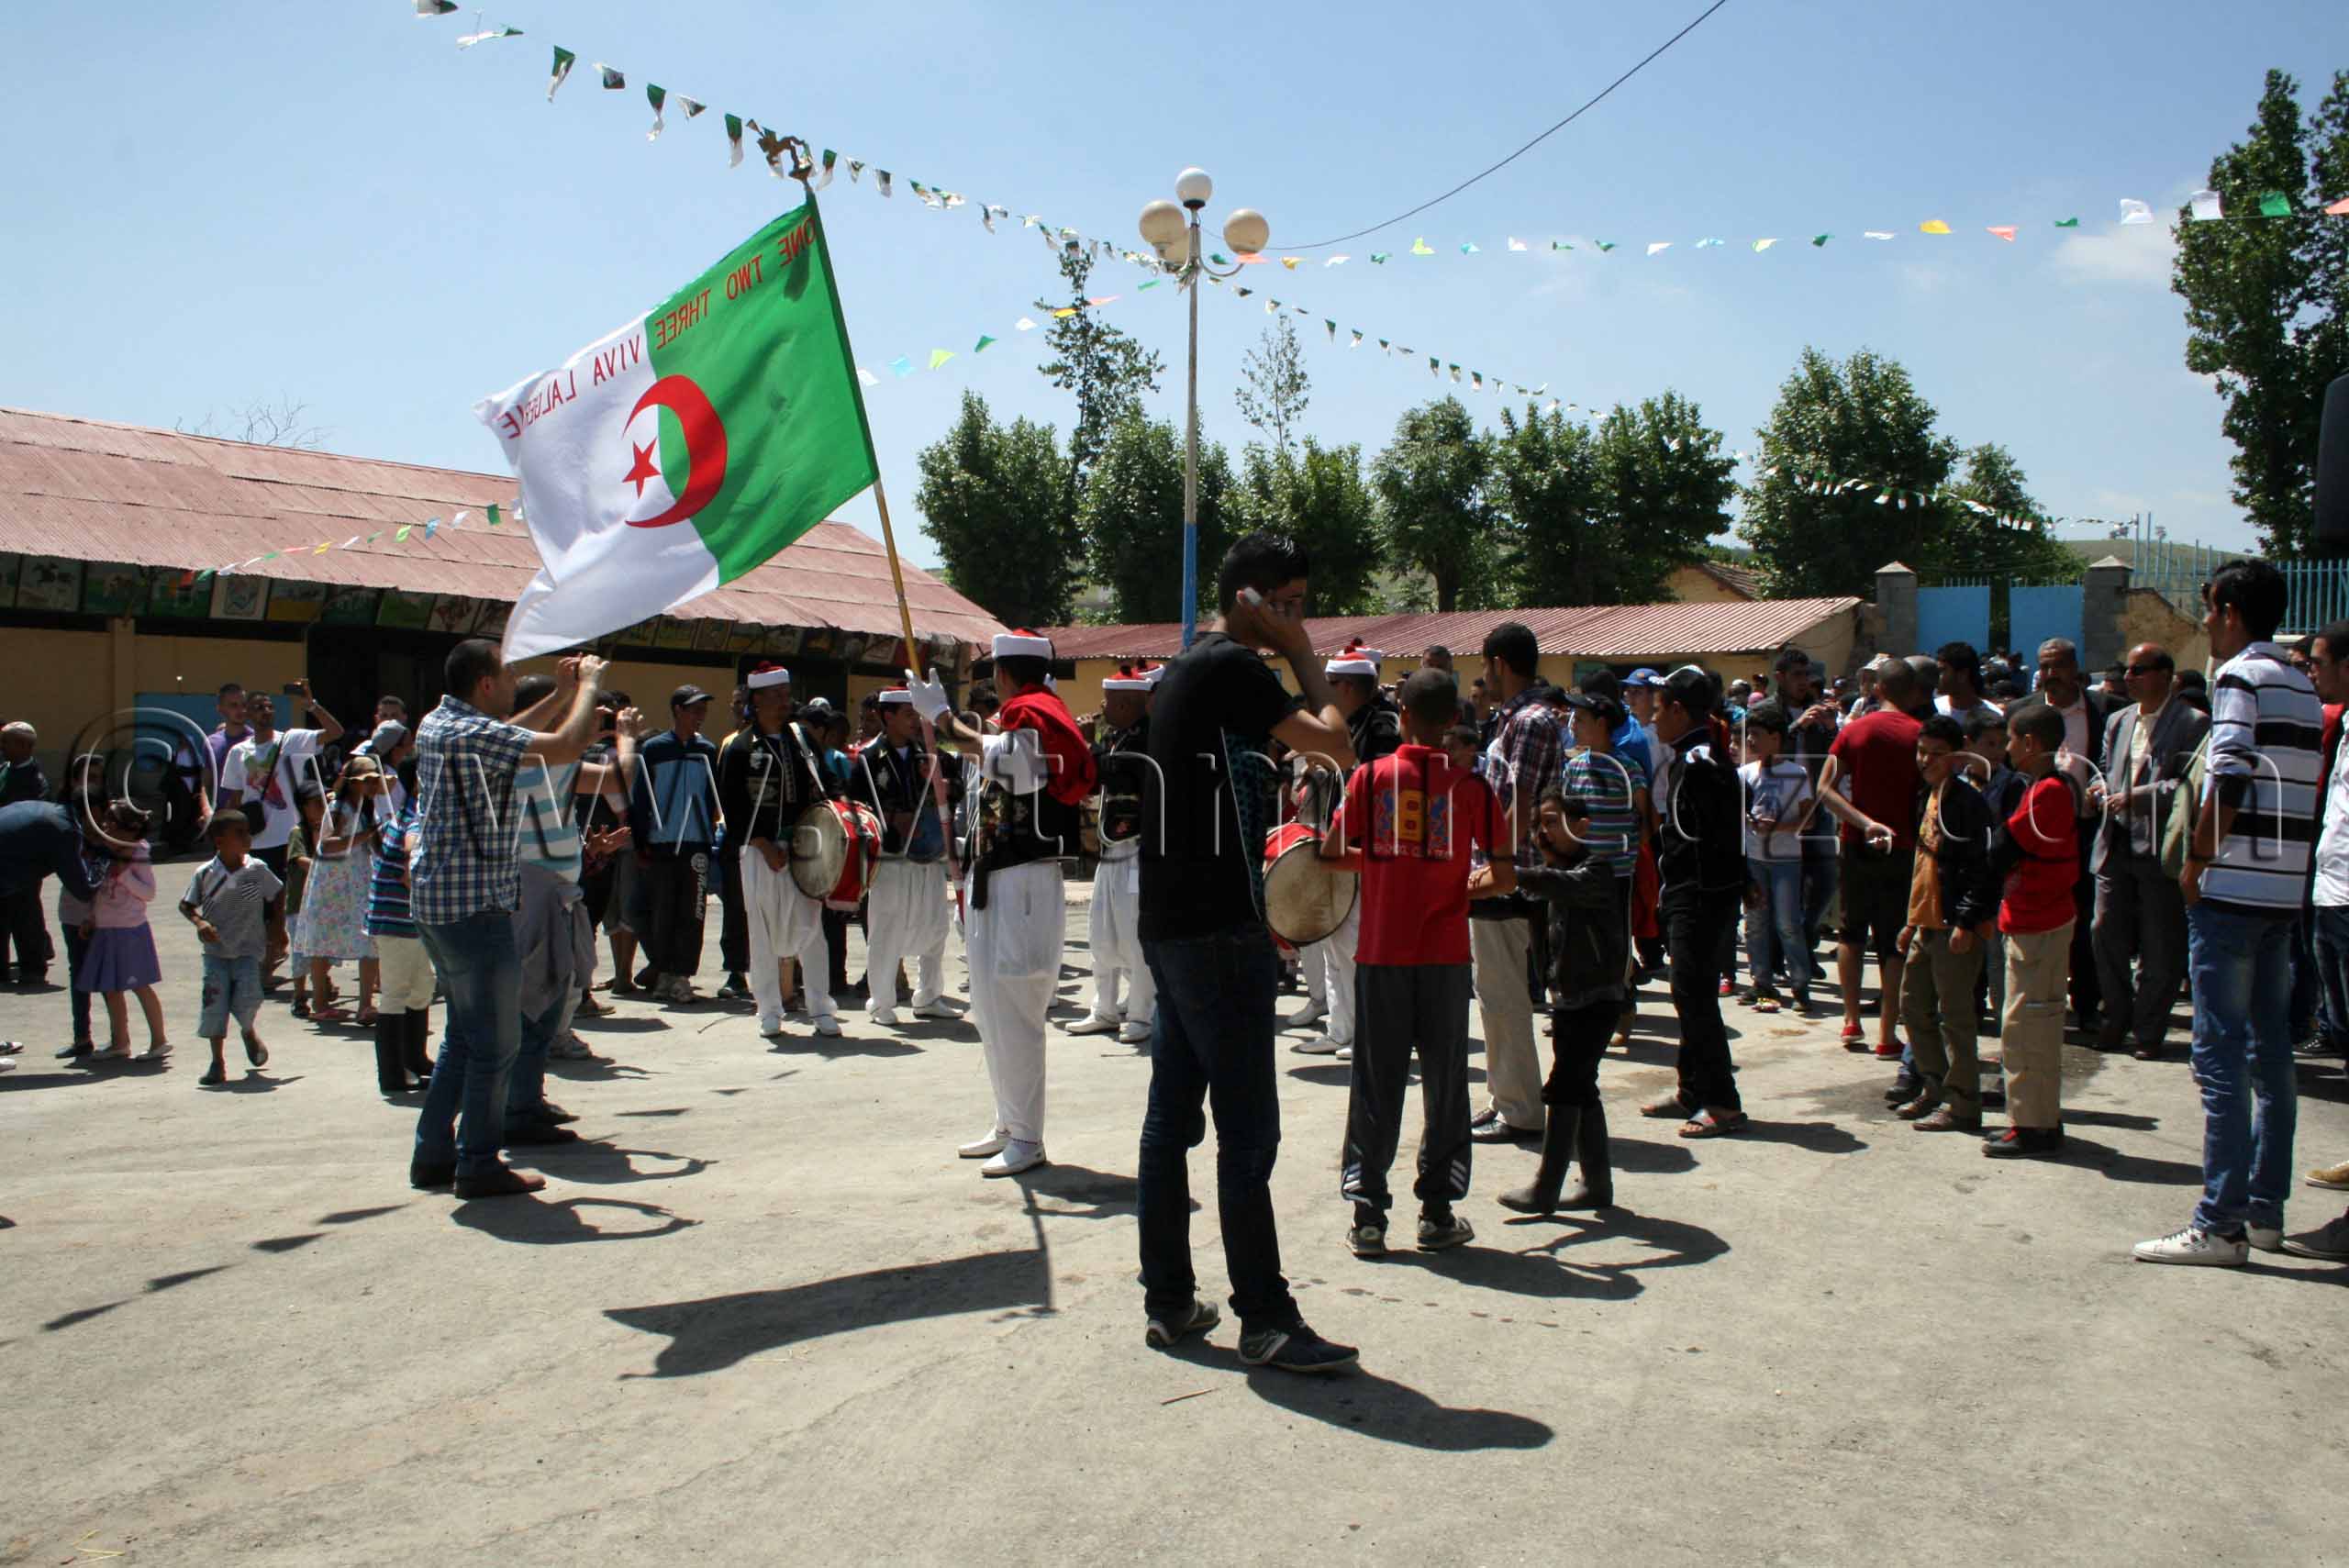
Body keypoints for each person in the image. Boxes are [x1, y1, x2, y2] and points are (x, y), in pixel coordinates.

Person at [1128, 533, 1359, 1372]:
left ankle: (1169, 1299)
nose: (1301, 617)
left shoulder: (1189, 669)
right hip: (1217, 930)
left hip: (1172, 922)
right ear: (1254, 600)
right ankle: (1263, 1314)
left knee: (1171, 1119)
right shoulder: (1233, 665)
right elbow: (1333, 743)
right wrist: (1304, 654)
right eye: (1290, 602)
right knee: (1247, 1132)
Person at [2135, 561, 2321, 1263]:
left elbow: (2234, 771)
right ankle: (2264, 1211)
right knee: (2271, 1055)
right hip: (2282, 893)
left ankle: (2220, 1223)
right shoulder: (2302, 683)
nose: (2205, 622)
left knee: (2220, 1060)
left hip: (2234, 893)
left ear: (2234, 612)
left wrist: (2196, 863)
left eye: (2210, 609)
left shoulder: (2242, 677)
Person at [407, 639, 607, 1201]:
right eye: (509, 674)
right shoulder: (478, 734)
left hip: (439, 904)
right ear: (486, 684)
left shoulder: (437, 724)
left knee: (463, 1040)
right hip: (476, 908)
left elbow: (513, 731)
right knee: (497, 1045)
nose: (517, 680)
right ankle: (477, 1163)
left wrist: (557, 694)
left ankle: (433, 1153)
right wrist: (588, 686)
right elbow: (568, 744)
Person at [1321, 669, 1511, 1255]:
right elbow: (1503, 876)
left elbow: (1331, 855)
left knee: (1376, 1083)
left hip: (1381, 954)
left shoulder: (1369, 777)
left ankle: (1369, 1217)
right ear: (1452, 720)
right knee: (1446, 1083)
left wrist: (1382, 864)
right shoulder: (1474, 790)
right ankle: (1436, 1212)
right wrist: (1460, 885)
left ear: (1400, 712)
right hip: (1446, 960)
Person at [907, 631, 1096, 1177]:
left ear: (1007, 676)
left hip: (1024, 884)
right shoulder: (1021, 720)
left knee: (1015, 1012)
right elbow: (986, 741)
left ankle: (1029, 1137)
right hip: (995, 880)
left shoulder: (1039, 719)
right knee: (990, 1010)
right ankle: (1009, 1121)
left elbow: (1003, 758)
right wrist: (944, 724)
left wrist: (943, 718)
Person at [504, 677, 638, 1142]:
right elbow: (620, 776)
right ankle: (517, 1111)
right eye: (566, 717)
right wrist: (623, 736)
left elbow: (612, 782)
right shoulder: (529, 755)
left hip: (552, 887)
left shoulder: (546, 759)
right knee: (530, 1007)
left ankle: (527, 1101)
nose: (575, 726)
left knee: (545, 1004)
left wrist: (586, 848)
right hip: (532, 890)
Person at [1499, 791, 1629, 1214]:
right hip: (1570, 1001)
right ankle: (1597, 1185)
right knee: (1581, 1088)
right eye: (1538, 825)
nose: (1542, 832)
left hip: (1598, 999)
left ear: (1583, 826)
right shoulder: (1548, 877)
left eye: (1552, 822)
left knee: (1564, 1088)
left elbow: (1560, 886)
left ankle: (1546, 1188)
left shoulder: (1596, 871)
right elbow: (1506, 905)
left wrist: (1511, 873)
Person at [1639, 667, 1753, 1138]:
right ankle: (1691, 1087)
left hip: (1701, 896)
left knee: (1694, 993)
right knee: (1687, 992)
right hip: (1693, 892)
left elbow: (1718, 838)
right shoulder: (1696, 756)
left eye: (1660, 708)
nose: (1654, 717)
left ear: (1679, 710)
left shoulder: (1701, 763)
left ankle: (1721, 1100)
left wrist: (1727, 885)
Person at [1467, 622, 1565, 1144]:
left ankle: (1521, 1109)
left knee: (1503, 997)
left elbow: (1518, 800)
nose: (1484, 676)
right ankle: (1504, 1096)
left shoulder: (1528, 721)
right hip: (1504, 870)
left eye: (1486, 665)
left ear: (1499, 662)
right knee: (1493, 995)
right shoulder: (1517, 719)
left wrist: (1494, 867)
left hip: (1512, 876)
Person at [2089, 643, 2207, 1060]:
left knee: (2161, 942)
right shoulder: (2119, 719)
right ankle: (2115, 1016)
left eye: (2139, 670)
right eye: (2128, 671)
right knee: (2104, 930)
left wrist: (2139, 795)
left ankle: (2149, 1029)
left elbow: (2188, 784)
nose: (2130, 678)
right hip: (2114, 840)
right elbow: (2105, 767)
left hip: (2159, 846)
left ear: (2166, 675)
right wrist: (2099, 788)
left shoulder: (2193, 723)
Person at [717, 664, 841, 1040]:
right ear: (756, 700)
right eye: (777, 696)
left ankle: (820, 1007)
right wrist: (762, 844)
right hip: (760, 850)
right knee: (762, 930)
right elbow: (732, 804)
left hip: (803, 846)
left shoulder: (800, 738)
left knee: (812, 930)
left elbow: (825, 781)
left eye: (787, 695)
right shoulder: (740, 747)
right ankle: (769, 1010)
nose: (785, 702)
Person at [1289, 640, 1401, 1058]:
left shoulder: (1382, 725)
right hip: (1341, 842)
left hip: (1361, 849)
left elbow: (1376, 784)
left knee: (1354, 945)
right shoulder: (1356, 720)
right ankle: (1343, 1028)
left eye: (1331, 684)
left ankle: (1363, 1032)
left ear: (1349, 688)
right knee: (1337, 942)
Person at [1983, 702, 2080, 1159]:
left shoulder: (2050, 792)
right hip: (2031, 916)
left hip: (2040, 920)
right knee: (2026, 1023)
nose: (2005, 748)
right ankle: (2031, 1118)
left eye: (2010, 739)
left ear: (2030, 743)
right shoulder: (2041, 786)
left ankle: (2034, 1125)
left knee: (2028, 1026)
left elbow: (2006, 844)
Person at [1894, 716, 1999, 1129]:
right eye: (1922, 752)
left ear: (1958, 755)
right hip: (1925, 921)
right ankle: (1934, 1087)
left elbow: (1982, 868)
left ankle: (1963, 1103)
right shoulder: (1928, 794)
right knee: (1913, 1006)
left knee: (1956, 1016)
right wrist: (1910, 921)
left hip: (1954, 923)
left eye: (1936, 754)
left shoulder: (1968, 802)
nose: (1926, 760)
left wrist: (1967, 920)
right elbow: (1923, 864)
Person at [1820, 659, 1924, 1055]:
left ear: (1878, 690)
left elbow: (1825, 789)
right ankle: (1886, 1033)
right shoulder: (1919, 735)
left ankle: (1850, 1021)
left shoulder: (1854, 731)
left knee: (1851, 931)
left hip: (1857, 843)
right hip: (1904, 846)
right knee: (1892, 938)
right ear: (1914, 693)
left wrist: (1863, 823)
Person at [853, 686, 964, 1029]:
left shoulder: (929, 753)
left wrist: (941, 784)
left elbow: (956, 787)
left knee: (935, 925)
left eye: (918, 714)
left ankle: (929, 996)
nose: (916, 721)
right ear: (888, 717)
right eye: (908, 714)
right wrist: (889, 817)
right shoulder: (868, 758)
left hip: (929, 852)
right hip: (891, 856)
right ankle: (882, 1002)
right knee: (886, 928)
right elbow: (855, 808)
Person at [1069, 664, 1157, 1042]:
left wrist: (1087, 744)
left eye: (1107, 700)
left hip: (1136, 851)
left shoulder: (1146, 740)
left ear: (1125, 703)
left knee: (1135, 938)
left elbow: (1111, 774)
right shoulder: (1120, 736)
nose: (1101, 706)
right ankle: (1104, 1008)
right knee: (1101, 934)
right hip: (1111, 850)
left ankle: (1140, 1015)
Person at [2032, 637, 2114, 1037]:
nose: (2050, 676)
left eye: (2057, 667)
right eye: (2044, 667)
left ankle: (2087, 1005)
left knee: (2083, 922)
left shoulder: (2105, 711)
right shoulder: (2024, 713)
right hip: (2035, 834)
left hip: (2085, 831)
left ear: (2075, 667)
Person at [629, 684, 721, 1005]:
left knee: (693, 912)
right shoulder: (654, 749)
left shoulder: (707, 751)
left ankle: (682, 974)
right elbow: (641, 798)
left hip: (696, 842)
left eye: (703, 710)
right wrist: (641, 841)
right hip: (662, 843)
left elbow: (713, 798)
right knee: (661, 911)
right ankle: (663, 970)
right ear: (678, 711)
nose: (700, 716)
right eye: (694, 710)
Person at [178, 811, 284, 1087]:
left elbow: (277, 894)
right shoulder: (205, 874)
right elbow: (186, 905)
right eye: (239, 833)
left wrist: (278, 929)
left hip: (249, 949)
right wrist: (200, 922)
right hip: (216, 953)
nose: (247, 838)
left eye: (247, 832)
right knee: (215, 1005)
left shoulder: (257, 869)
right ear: (219, 841)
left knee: (249, 998)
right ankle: (217, 1062)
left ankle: (248, 1030)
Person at [219, 678, 345, 882]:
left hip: (291, 839)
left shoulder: (291, 740)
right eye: (259, 708)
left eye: (270, 707)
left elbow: (335, 732)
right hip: (255, 841)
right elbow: (235, 800)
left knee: (291, 904)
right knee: (260, 903)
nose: (266, 711)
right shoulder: (238, 752)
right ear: (248, 714)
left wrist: (311, 706)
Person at [294, 755, 383, 1028]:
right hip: (332, 879)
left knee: (369, 939)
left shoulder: (368, 810)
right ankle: (320, 1003)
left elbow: (376, 846)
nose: (370, 785)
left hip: (358, 879)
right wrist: (365, 836)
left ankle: (365, 1003)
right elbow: (326, 845)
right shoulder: (338, 807)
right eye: (365, 780)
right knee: (323, 936)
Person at [1737, 703, 1815, 1013]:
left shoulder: (1796, 774)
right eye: (1748, 735)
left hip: (1786, 860)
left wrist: (1778, 827)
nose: (1750, 742)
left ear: (1775, 738)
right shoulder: (1743, 774)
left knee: (1787, 922)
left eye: (1756, 735)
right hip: (1754, 858)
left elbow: (1809, 820)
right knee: (1755, 922)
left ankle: (1800, 983)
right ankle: (1761, 981)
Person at [79, 801, 168, 1063]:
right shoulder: (104, 851)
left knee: (140, 986)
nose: (105, 825)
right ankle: (120, 1042)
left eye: (111, 821)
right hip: (106, 928)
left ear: (129, 829)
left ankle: (159, 1040)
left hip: (129, 930)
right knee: (110, 988)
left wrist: (125, 876)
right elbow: (97, 886)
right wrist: (91, 916)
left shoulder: (138, 853)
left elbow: (149, 893)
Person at [365, 756, 434, 1095]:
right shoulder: (416, 815)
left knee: (421, 987)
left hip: (409, 921)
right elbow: (412, 854)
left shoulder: (413, 810)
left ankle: (415, 1059)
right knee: (395, 994)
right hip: (397, 920)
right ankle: (391, 1075)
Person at [710, 684, 754, 1003]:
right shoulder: (730, 744)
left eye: (743, 704)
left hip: (766, 839)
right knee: (735, 910)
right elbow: (723, 794)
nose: (738, 710)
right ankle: (736, 972)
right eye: (734, 704)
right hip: (735, 838)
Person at [0, 720, 52, 983]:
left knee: (25, 914)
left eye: (6, 742)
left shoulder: (36, 781)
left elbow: (35, 817)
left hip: (21, 860)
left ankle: (33, 968)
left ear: (24, 745)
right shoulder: (3, 771)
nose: (2, 747)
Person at [1934, 642, 2001, 729]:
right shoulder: (1932, 711)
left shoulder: (1994, 718)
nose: (1936, 676)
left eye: (1942, 671)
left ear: (1963, 674)